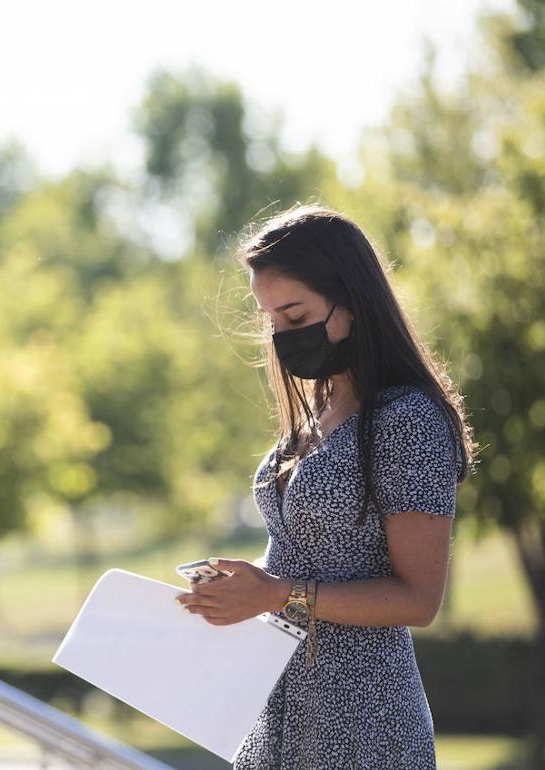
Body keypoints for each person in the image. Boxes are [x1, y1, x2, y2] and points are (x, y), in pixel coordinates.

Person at [175, 204, 477, 770]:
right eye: (270, 320)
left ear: (353, 304)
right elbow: (304, 556)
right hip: (276, 709)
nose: (281, 336)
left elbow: (420, 599)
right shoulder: (321, 410)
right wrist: (241, 588)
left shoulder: (406, 420)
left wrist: (277, 593)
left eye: (294, 314)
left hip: (363, 722)